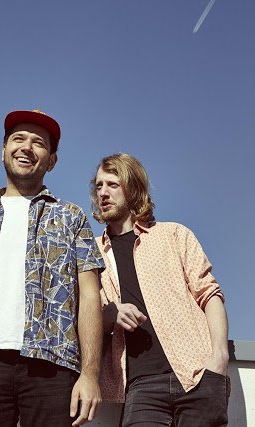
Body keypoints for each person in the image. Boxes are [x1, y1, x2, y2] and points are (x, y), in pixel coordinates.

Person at [0, 109, 105, 426]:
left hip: (54, 364)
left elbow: (89, 296)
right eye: (18, 139)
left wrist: (90, 374)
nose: (26, 147)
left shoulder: (71, 217)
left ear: (52, 160)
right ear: (3, 150)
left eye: (38, 142)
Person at [92, 153, 230, 426]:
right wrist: (111, 313)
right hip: (140, 386)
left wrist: (219, 358)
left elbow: (209, 294)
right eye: (98, 186)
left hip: (197, 373)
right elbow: (86, 316)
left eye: (112, 185)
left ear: (133, 189)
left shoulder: (174, 235)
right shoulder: (92, 254)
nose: (103, 193)